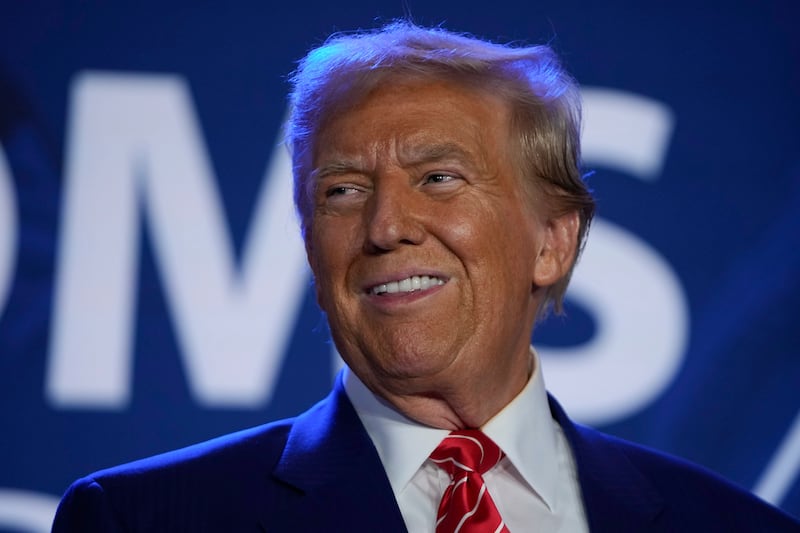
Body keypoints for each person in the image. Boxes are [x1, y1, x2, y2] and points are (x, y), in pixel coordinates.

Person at [52, 21, 799, 532]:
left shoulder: (734, 525)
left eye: (438, 178)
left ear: (553, 241)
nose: (383, 227)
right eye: (341, 190)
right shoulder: (142, 518)